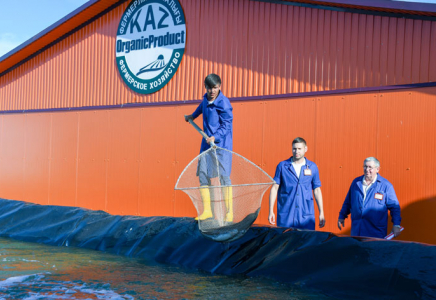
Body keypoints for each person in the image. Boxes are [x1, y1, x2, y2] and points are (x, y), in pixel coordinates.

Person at [185, 74, 233, 222]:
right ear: (205, 87)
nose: (212, 91)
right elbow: (201, 107)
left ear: (220, 87)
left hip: (221, 145)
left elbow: (227, 126)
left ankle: (229, 212)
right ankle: (207, 211)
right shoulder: (206, 99)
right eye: (210, 87)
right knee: (203, 175)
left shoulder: (224, 103)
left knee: (224, 178)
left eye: (216, 87)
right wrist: (192, 116)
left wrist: (215, 137)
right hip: (206, 144)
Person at [268, 137, 325, 230]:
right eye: (294, 148)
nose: (296, 151)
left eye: (299, 149)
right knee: (285, 241)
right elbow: (274, 188)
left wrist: (321, 212)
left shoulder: (312, 167)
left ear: (305, 149)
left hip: (306, 214)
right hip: (286, 213)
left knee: (306, 242)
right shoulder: (283, 166)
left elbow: (317, 190)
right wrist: (271, 211)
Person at [338, 157, 402, 239]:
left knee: (373, 252)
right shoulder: (356, 183)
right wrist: (341, 216)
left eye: (370, 167)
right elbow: (348, 202)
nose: (367, 169)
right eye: (365, 166)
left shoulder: (385, 186)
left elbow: (394, 207)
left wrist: (396, 225)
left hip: (375, 233)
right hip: (357, 231)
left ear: (377, 169)